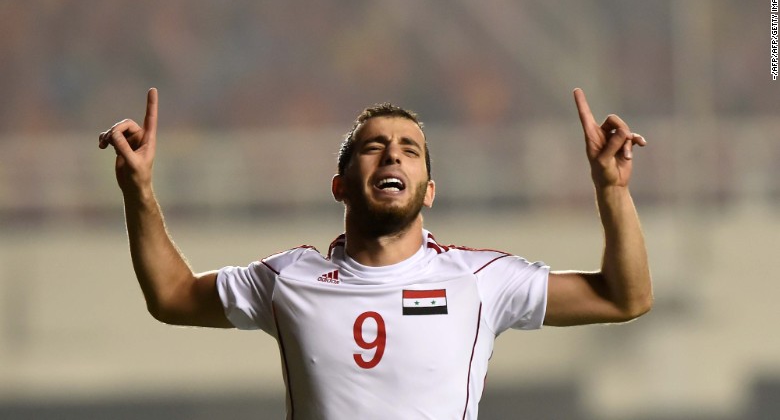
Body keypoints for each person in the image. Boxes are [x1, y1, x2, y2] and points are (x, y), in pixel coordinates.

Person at [98, 88, 652, 419]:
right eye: (374, 147)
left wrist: (612, 190)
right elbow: (171, 295)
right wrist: (138, 191)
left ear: (428, 190)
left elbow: (626, 297)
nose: (393, 154)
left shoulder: (481, 279)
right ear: (340, 185)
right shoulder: (289, 278)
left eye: (410, 150)